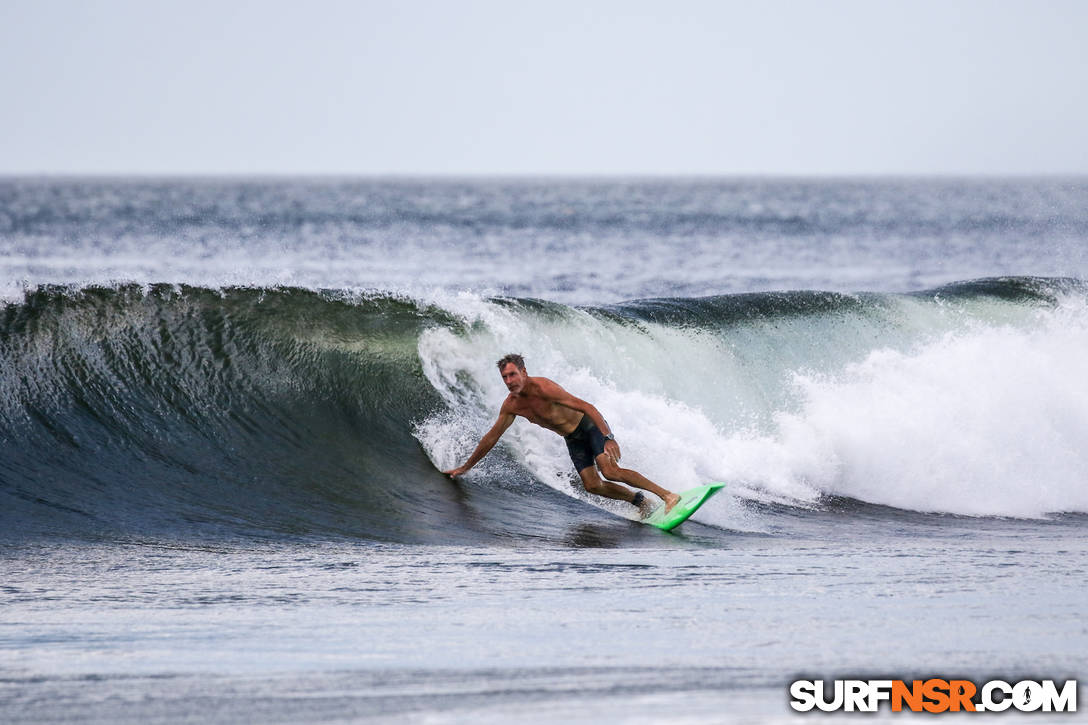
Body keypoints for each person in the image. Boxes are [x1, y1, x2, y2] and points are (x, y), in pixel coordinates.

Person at [444, 353, 681, 516]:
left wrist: (608, 437)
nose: (509, 381)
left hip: (588, 426)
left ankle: (668, 495)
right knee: (592, 485)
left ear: (524, 372)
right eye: (505, 377)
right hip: (572, 438)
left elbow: (587, 407)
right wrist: (465, 467)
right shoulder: (511, 405)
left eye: (513, 374)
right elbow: (491, 437)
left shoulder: (545, 388)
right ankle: (640, 502)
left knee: (610, 471)